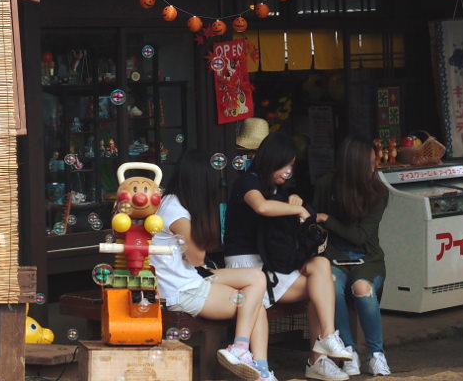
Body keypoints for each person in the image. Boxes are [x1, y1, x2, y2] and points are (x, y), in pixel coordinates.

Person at [223, 131, 354, 381]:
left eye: (292, 166)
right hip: (247, 266)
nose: (288, 171)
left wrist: (293, 201)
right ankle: (317, 354)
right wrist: (297, 208)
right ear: (272, 160)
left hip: (269, 263)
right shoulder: (247, 183)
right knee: (322, 283)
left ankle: (325, 344)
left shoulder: (275, 188)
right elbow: (261, 206)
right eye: (285, 164)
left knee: (321, 269)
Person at [151, 150, 277, 381]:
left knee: (257, 279)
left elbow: (195, 261)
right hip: (181, 290)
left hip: (189, 276)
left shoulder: (174, 202)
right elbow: (198, 258)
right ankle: (256, 365)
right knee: (255, 304)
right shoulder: (177, 212)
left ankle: (248, 355)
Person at [313, 135, 391, 376]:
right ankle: (348, 350)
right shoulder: (326, 184)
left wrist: (327, 219)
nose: (373, 168)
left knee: (362, 290)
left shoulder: (378, 192)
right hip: (333, 256)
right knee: (331, 286)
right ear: (353, 165)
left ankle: (376, 354)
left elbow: (359, 236)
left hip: (367, 258)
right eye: (369, 163)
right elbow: (313, 221)